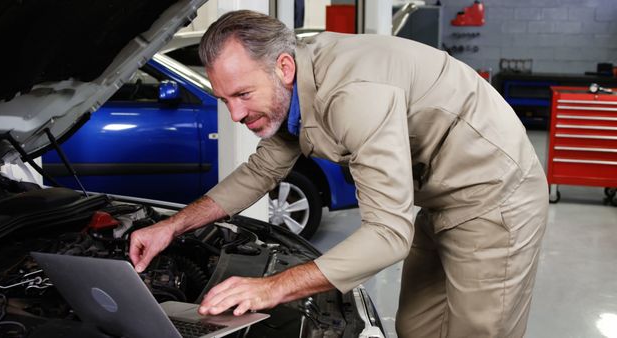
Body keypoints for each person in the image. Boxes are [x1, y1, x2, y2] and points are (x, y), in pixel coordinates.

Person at [129, 10, 548, 337]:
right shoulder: (293, 91)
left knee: (476, 333)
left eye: (242, 94)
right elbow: (259, 171)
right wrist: (172, 226)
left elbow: (388, 235)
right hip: (439, 199)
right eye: (224, 99)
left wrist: (273, 287)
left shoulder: (352, 95)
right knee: (417, 327)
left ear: (284, 68)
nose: (235, 113)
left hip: (495, 194)